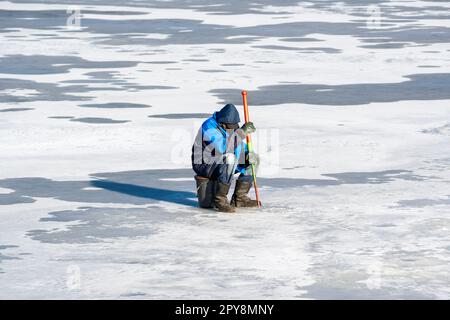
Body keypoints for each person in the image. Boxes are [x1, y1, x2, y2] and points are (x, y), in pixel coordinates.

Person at [192, 104, 259, 212]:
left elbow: (237, 145)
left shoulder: (231, 127)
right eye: (230, 127)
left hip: (223, 160)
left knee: (254, 159)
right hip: (205, 163)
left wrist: (247, 154)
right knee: (230, 158)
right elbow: (223, 147)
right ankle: (220, 200)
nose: (232, 130)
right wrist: (242, 133)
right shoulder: (208, 127)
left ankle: (239, 198)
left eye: (234, 127)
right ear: (222, 124)